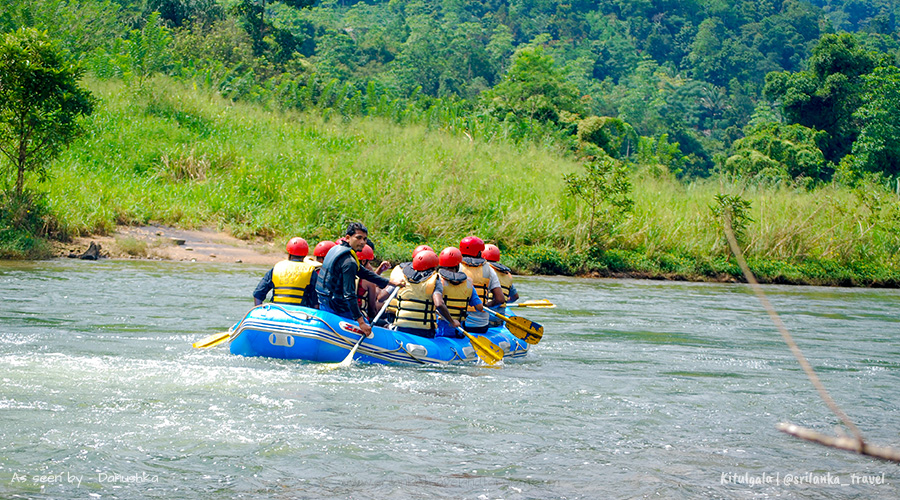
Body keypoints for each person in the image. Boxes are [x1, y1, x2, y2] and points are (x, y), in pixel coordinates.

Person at [315, 222, 403, 338]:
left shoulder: (336, 249)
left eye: (365, 239)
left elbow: (363, 272)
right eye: (359, 238)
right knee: (370, 331)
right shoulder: (349, 262)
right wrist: (361, 323)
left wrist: (390, 282)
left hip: (324, 302)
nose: (363, 242)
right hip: (336, 307)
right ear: (348, 237)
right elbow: (349, 295)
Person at [382, 250, 440, 338]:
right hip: (424, 331)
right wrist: (452, 321)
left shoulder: (402, 277)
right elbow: (439, 303)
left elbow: (380, 297)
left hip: (401, 327)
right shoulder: (435, 280)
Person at [253, 237, 319, 308]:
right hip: (301, 313)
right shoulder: (310, 271)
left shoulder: (277, 268)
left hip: (277, 311)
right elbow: (316, 301)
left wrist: (259, 311)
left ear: (289, 254)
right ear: (305, 255)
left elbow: (258, 294)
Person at [432, 247, 484, 338]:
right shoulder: (468, 283)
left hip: (438, 331)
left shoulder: (435, 280)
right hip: (458, 331)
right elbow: (479, 307)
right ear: (458, 265)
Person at [458, 236, 505, 334]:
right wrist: (485, 306)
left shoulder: (455, 267)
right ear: (479, 252)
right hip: (479, 325)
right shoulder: (489, 269)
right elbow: (500, 299)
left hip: (457, 323)